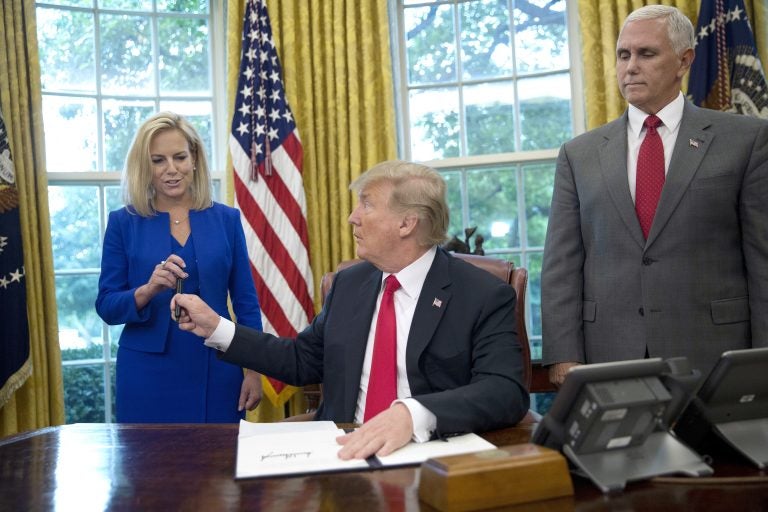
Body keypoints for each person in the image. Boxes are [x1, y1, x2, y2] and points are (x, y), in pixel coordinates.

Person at [173, 160, 530, 459]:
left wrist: (413, 414)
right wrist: (216, 327)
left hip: (430, 454)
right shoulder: (349, 284)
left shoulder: (482, 294)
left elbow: (504, 391)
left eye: (367, 204)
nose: (351, 217)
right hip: (340, 451)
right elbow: (300, 360)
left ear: (407, 224)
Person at [541, 5, 768, 386]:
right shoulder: (579, 154)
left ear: (684, 61)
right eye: (623, 55)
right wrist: (563, 355)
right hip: (609, 357)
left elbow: (763, 262)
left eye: (646, 54)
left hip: (715, 356)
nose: (630, 66)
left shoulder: (745, 141)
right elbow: (561, 266)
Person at [96, 111, 264, 422]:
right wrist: (147, 290)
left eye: (179, 157)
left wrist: (253, 370)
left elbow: (246, 303)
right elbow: (107, 306)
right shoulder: (123, 223)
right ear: (145, 167)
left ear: (195, 159)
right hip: (146, 373)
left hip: (219, 366)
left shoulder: (227, 219)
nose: (171, 170)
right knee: (148, 468)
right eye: (158, 160)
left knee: (219, 467)